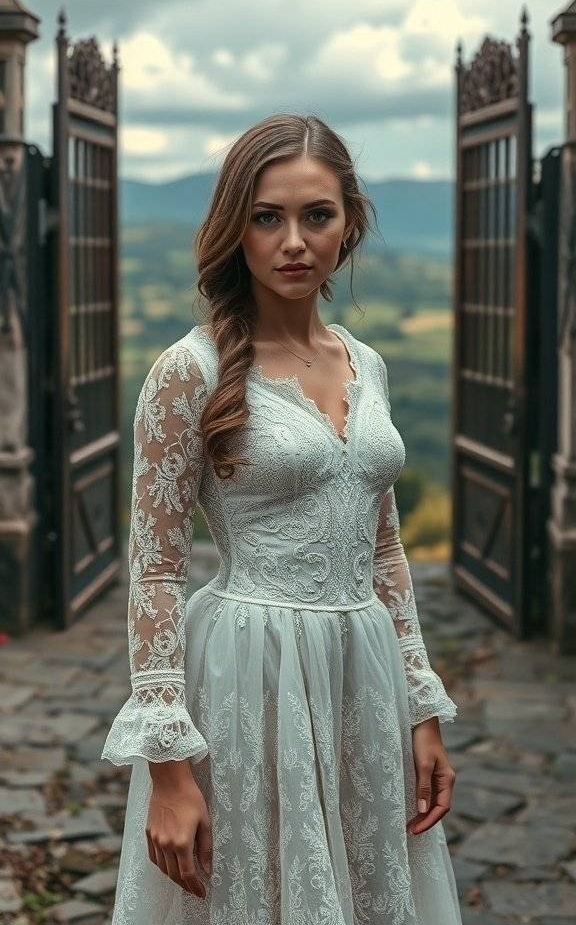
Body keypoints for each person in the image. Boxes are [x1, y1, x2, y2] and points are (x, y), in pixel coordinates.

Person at [101, 112, 462, 924]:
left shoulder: (366, 365)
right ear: (237, 228)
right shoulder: (188, 372)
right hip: (246, 674)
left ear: (350, 224)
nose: (293, 240)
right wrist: (167, 762)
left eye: (317, 215)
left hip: (361, 668)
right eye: (268, 217)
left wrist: (421, 705)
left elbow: (386, 548)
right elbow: (156, 566)